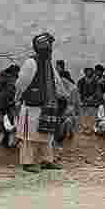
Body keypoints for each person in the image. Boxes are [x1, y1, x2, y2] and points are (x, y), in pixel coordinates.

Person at [15, 33, 64, 173]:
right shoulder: (31, 62)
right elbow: (21, 84)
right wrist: (17, 98)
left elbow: (57, 81)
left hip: (47, 105)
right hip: (31, 106)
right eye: (46, 46)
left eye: (50, 46)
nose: (49, 49)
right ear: (39, 48)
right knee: (29, 137)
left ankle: (47, 161)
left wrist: (61, 95)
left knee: (46, 135)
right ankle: (27, 162)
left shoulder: (48, 63)